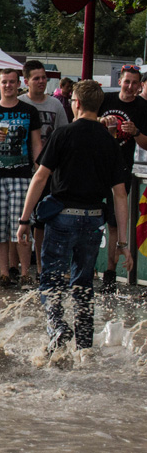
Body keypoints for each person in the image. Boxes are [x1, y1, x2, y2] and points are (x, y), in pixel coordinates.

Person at [17, 80, 129, 355]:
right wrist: (123, 243)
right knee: (84, 284)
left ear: (76, 103)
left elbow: (40, 177)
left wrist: (24, 220)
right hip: (94, 220)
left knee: (51, 281)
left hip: (63, 217)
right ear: (99, 105)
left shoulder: (63, 134)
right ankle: (85, 347)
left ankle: (57, 327)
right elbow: (120, 195)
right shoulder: (110, 141)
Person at [0, 68, 42, 290]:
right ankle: (4, 273)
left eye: (12, 82)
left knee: (22, 224)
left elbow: (36, 143)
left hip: (22, 174)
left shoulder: (29, 111)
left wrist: (39, 168)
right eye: (4, 82)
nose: (8, 85)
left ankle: (25, 273)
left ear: (19, 83)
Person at [97, 63, 147, 291]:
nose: (130, 86)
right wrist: (102, 122)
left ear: (140, 86)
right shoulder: (105, 99)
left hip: (121, 169)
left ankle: (109, 273)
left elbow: (146, 143)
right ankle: (85, 270)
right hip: (96, 167)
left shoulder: (142, 107)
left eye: (135, 83)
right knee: (89, 220)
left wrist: (136, 132)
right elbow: (84, 119)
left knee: (115, 223)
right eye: (127, 81)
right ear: (119, 82)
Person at [18, 59, 69, 270]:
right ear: (26, 81)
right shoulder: (20, 102)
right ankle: (17, 267)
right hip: (22, 167)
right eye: (36, 78)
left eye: (44, 78)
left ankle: (40, 267)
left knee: (42, 220)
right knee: (20, 218)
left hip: (48, 170)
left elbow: (64, 135)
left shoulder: (55, 104)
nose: (41, 82)